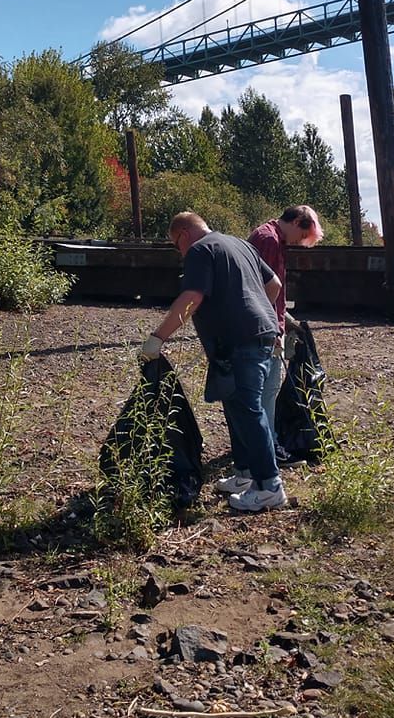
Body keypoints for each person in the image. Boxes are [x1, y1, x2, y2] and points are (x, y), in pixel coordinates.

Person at [139, 212, 286, 512]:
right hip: (257, 336)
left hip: (242, 341)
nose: (179, 252)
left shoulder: (199, 250)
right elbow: (274, 285)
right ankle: (245, 475)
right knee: (235, 406)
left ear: (182, 233)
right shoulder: (240, 245)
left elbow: (192, 297)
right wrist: (257, 311)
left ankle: (270, 486)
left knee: (247, 408)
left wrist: (158, 338)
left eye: (175, 245)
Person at [248, 205, 325, 445]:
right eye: (302, 236)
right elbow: (260, 290)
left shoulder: (273, 238)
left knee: (265, 390)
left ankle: (264, 441)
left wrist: (286, 320)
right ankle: (266, 445)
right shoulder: (268, 240)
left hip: (267, 324)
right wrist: (273, 329)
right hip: (264, 329)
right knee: (266, 390)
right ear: (297, 221)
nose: (299, 241)